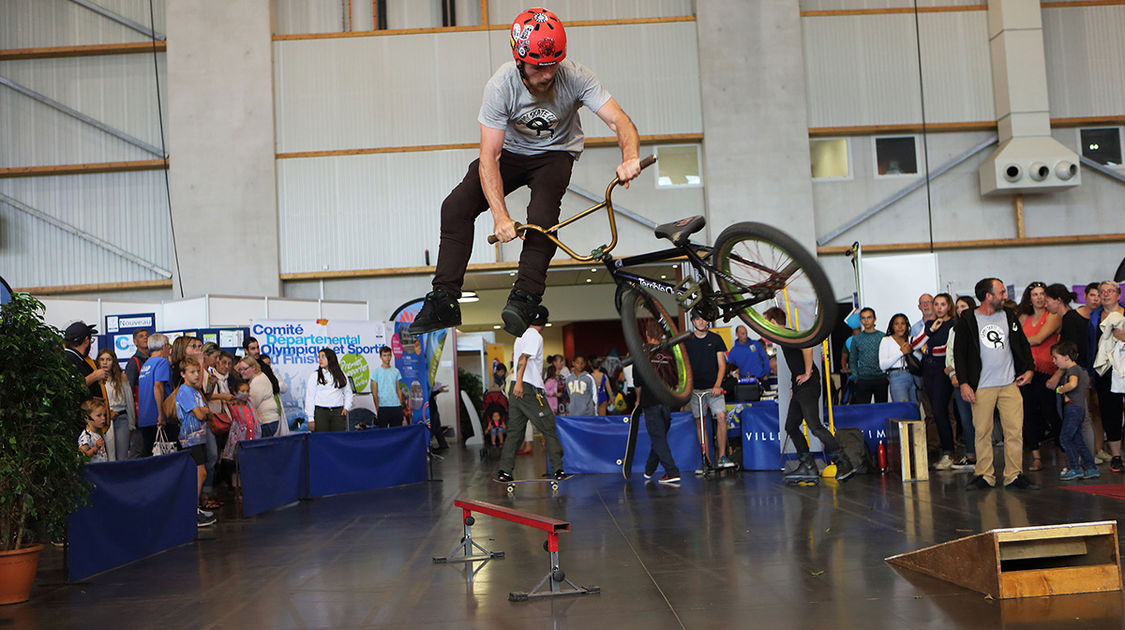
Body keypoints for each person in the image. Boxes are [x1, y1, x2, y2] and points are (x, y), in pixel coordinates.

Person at [409, 7, 641, 337]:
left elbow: (620, 120)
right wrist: (501, 217)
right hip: (510, 156)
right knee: (456, 206)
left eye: (552, 65)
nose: (547, 74)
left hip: (555, 154)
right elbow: (489, 156)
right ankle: (444, 300)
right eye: (538, 67)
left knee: (542, 215)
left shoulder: (576, 77)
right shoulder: (500, 86)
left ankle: (525, 297)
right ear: (519, 60)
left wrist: (630, 156)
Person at [954, 277, 1037, 491]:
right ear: (988, 296)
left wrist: (1029, 369)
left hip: (1009, 383)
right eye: (1001, 292)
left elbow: (1022, 344)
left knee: (1014, 431)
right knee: (982, 431)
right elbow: (959, 354)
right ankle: (984, 475)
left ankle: (1014, 474)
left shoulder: (1008, 315)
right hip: (981, 385)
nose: (1005, 296)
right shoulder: (967, 319)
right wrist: (964, 383)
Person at [766, 308, 855, 483]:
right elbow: (796, 362)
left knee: (815, 427)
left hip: (808, 385)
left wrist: (808, 372)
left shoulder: (789, 335)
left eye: (767, 323)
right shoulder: (784, 338)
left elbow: (808, 346)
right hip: (800, 388)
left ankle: (844, 462)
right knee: (791, 426)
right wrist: (794, 386)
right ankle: (808, 466)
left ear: (774, 322)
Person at [496, 306, 567, 482]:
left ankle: (505, 471)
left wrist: (516, 383)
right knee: (548, 427)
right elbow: (523, 359)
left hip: (516, 388)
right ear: (544, 320)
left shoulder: (522, 334)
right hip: (528, 389)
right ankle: (558, 470)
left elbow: (518, 358)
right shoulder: (535, 335)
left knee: (515, 432)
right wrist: (520, 382)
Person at [1017, 281, 1062, 472]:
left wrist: (1017, 341)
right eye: (1035, 294)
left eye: (1042, 294)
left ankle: (1065, 451)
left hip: (1046, 369)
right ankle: (1035, 456)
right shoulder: (1023, 316)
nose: (1039, 298)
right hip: (1026, 370)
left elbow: (1039, 338)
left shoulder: (1052, 315)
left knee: (1049, 411)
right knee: (1027, 413)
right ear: (1029, 297)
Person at [684, 310, 734, 468]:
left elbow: (722, 365)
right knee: (700, 422)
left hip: (714, 388)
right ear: (693, 321)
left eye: (704, 318)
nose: (701, 322)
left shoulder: (716, 339)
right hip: (695, 390)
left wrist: (718, 384)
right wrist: (688, 387)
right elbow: (684, 366)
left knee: (721, 417)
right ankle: (706, 458)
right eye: (698, 319)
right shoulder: (688, 341)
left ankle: (722, 456)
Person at [1046, 341, 1098, 481]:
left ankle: (1075, 467)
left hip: (1073, 408)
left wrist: (1061, 389)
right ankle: (1091, 467)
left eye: (1056, 357)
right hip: (1079, 408)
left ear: (1067, 357)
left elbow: (1073, 384)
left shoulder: (1073, 370)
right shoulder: (1081, 371)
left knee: (1065, 438)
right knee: (1077, 439)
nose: (1054, 361)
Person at [175, 357, 217, 528]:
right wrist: (204, 412)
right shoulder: (185, 391)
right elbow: (200, 415)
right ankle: (192, 510)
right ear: (183, 374)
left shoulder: (196, 391)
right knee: (200, 474)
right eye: (192, 372)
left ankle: (196, 508)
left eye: (198, 371)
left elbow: (208, 413)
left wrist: (204, 411)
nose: (197, 375)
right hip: (190, 437)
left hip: (199, 436)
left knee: (201, 472)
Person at [635, 336, 680, 484]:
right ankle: (649, 469)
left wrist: (638, 400)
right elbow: (677, 378)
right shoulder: (669, 353)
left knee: (658, 439)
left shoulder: (642, 354)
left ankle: (672, 472)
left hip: (650, 401)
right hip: (667, 402)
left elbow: (637, 381)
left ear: (647, 334)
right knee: (659, 438)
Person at [1090, 280, 1125, 472]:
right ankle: (1116, 455)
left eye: (1110, 291)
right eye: (1102, 291)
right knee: (1110, 412)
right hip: (1105, 371)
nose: (1105, 294)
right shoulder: (1095, 316)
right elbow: (1091, 344)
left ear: (1118, 295)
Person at [920, 294, 957, 470]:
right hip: (929, 371)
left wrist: (930, 350)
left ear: (949, 306)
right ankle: (947, 450)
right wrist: (930, 331)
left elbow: (946, 349)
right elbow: (915, 344)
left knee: (942, 411)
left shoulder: (954, 324)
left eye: (943, 304)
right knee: (935, 412)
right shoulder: (930, 325)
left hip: (945, 371)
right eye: (936, 304)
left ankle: (949, 451)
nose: (939, 307)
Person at [946, 296, 979, 468]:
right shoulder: (954, 330)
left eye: (964, 306)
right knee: (965, 419)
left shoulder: (977, 327)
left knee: (980, 419)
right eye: (958, 307)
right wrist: (953, 373)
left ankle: (984, 454)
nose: (960, 310)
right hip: (959, 380)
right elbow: (950, 354)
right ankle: (971, 455)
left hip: (976, 379)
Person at [96, 348, 136, 461]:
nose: (105, 362)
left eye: (108, 359)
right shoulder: (96, 379)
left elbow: (129, 401)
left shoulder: (121, 377)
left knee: (122, 456)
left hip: (121, 417)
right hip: (103, 420)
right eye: (102, 359)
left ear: (113, 361)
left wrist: (132, 424)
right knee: (107, 456)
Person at [62, 321, 106, 423]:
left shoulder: (81, 360)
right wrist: (95, 376)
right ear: (86, 340)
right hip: (76, 422)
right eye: (91, 340)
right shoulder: (68, 358)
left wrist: (91, 398)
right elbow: (71, 387)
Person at [222, 379, 261, 489]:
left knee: (248, 465)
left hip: (251, 439)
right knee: (236, 466)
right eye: (242, 391)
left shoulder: (250, 405)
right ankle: (236, 488)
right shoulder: (233, 406)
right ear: (235, 392)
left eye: (247, 391)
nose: (245, 394)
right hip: (239, 441)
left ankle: (247, 487)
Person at [137, 333, 171, 456]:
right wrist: (161, 414)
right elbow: (157, 386)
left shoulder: (146, 364)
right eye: (169, 346)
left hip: (144, 418)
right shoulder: (162, 362)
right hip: (157, 418)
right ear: (164, 347)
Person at [235, 355, 285, 438]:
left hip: (266, 422)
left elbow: (252, 404)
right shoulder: (257, 378)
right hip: (267, 421)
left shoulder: (258, 381)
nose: (242, 372)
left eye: (245, 369)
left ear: (253, 367)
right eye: (240, 369)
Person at [305, 348, 353, 433]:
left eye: (323, 357)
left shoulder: (341, 374)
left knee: (339, 439)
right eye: (319, 357)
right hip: (321, 412)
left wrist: (346, 408)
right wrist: (310, 418)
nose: (320, 359)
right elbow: (310, 397)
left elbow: (348, 393)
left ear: (330, 358)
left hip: (338, 412)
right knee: (322, 440)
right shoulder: (315, 375)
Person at [850, 308, 889, 404]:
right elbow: (852, 359)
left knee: (881, 409)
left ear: (874, 319)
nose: (866, 321)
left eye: (869, 317)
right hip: (863, 379)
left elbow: (888, 356)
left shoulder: (883, 337)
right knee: (862, 411)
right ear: (860, 321)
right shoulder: (856, 339)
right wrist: (856, 377)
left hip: (881, 378)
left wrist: (887, 375)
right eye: (863, 318)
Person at [879, 313, 918, 403]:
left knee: (915, 408)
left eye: (903, 323)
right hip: (897, 376)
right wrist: (901, 353)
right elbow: (883, 365)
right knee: (903, 408)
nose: (900, 327)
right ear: (892, 326)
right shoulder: (886, 340)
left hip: (914, 375)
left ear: (907, 325)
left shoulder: (911, 339)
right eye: (896, 324)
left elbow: (918, 359)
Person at [370, 346, 406, 428]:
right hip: (383, 407)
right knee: (383, 434)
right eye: (385, 355)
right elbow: (374, 393)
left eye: (389, 355)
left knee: (396, 432)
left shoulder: (396, 371)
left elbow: (398, 389)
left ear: (391, 356)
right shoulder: (376, 372)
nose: (387, 358)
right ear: (380, 357)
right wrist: (377, 407)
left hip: (396, 406)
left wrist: (400, 404)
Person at [124, 327, 150, 416]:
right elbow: (129, 389)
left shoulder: (152, 359)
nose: (145, 338)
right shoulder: (134, 362)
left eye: (147, 336)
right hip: (140, 409)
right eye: (141, 336)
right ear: (135, 342)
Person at [78, 398, 108, 464]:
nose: (103, 418)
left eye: (104, 415)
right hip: (93, 472)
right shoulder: (86, 436)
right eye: (99, 415)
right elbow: (82, 456)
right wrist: (95, 448)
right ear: (87, 418)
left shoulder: (97, 434)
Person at [427, 382, 450, 451]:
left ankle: (441, 445)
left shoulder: (427, 387)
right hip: (433, 410)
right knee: (436, 429)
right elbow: (430, 395)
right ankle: (442, 445)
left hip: (433, 410)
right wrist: (438, 391)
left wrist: (438, 391)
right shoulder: (426, 389)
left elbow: (431, 395)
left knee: (435, 429)